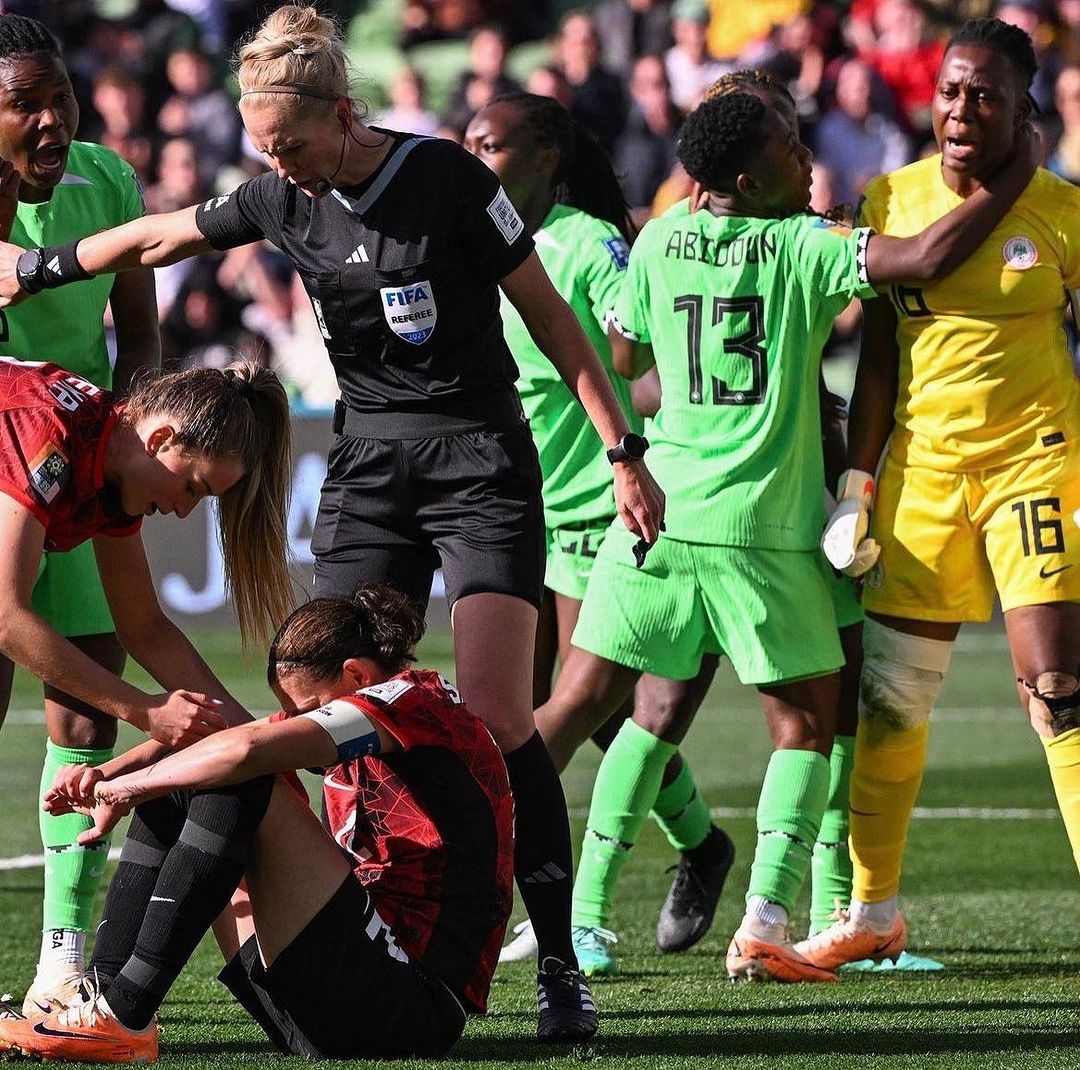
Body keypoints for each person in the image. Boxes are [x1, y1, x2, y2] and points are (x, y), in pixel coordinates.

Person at [0, 5, 665, 1042]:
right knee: (310, 685)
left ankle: (560, 963)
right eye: (265, 150)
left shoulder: (445, 178)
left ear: (343, 111)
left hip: (479, 459)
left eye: (294, 145)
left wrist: (622, 450)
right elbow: (160, 235)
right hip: (369, 464)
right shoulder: (277, 192)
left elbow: (550, 316)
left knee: (495, 715)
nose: (282, 167)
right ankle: (353, 912)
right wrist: (37, 267)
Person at [532, 85, 1037, 983]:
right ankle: (773, 916)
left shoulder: (657, 238)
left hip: (658, 514)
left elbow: (625, 359)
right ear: (742, 174)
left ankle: (575, 921)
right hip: (764, 528)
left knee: (616, 712)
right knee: (813, 725)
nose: (807, 161)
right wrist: (1014, 177)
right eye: (789, 150)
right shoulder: (802, 245)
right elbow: (921, 254)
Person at [805, 17, 1080, 971]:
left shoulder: (1061, 211)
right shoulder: (893, 195)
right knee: (890, 705)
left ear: (1021, 110)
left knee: (1059, 689)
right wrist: (858, 484)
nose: (962, 110)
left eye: (986, 96)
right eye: (952, 92)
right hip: (923, 477)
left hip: (1035, 465)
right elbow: (879, 359)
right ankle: (872, 911)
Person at [0, 585, 512, 1062]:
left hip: (411, 1007)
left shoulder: (414, 701)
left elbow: (244, 748)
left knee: (239, 775)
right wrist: (106, 776)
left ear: (356, 676)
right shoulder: (379, 705)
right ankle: (102, 1001)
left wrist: (129, 788)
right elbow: (229, 735)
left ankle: (123, 1017)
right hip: (341, 995)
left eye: (307, 709)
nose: (295, 720)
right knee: (194, 769)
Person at [465, 92, 734, 974]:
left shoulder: (590, 243)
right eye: (468, 142)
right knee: (594, 720)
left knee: (563, 716)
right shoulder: (475, 235)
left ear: (546, 157)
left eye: (492, 145)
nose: (476, 157)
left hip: (590, 506)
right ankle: (699, 845)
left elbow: (642, 346)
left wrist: (635, 446)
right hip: (511, 505)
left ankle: (524, 902)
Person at [0, 13, 161, 1016]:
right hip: (3, 477)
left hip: (78, 473)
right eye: (27, 104)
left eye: (61, 97)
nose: (53, 119)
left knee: (87, 699)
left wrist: (122, 430)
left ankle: (63, 956)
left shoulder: (106, 181)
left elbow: (137, 333)